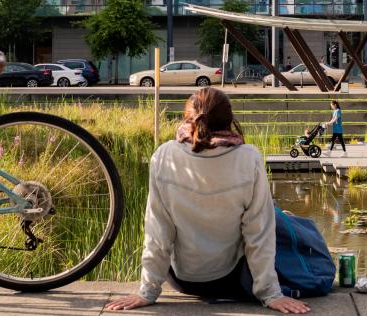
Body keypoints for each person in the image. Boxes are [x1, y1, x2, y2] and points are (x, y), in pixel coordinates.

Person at [106, 88, 310, 314]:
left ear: (188, 119)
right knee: (275, 215)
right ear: (229, 120)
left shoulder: (164, 156)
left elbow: (158, 230)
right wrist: (271, 294)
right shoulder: (249, 157)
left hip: (181, 280)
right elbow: (259, 233)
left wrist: (147, 291)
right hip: (231, 278)